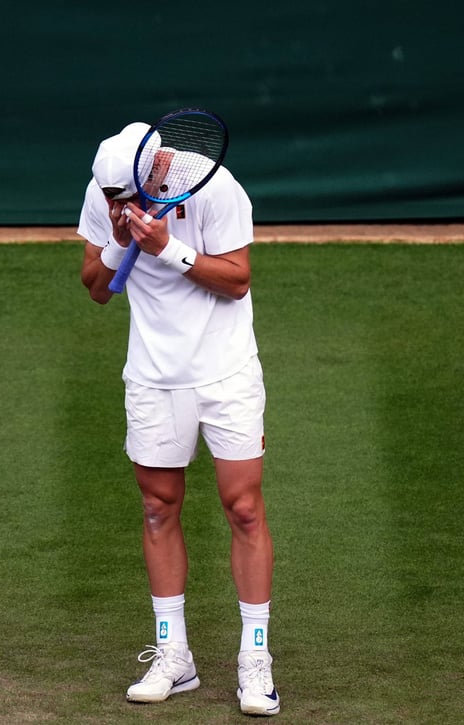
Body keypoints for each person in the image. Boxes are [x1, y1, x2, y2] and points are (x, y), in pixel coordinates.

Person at [78, 121, 280, 717]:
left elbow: (237, 281)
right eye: (117, 201)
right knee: (157, 509)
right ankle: (176, 656)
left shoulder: (218, 189)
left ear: (161, 166)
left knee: (243, 508)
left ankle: (255, 658)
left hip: (226, 373)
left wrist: (168, 245)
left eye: (132, 197)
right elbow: (95, 288)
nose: (126, 207)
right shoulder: (108, 193)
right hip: (152, 377)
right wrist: (119, 241)